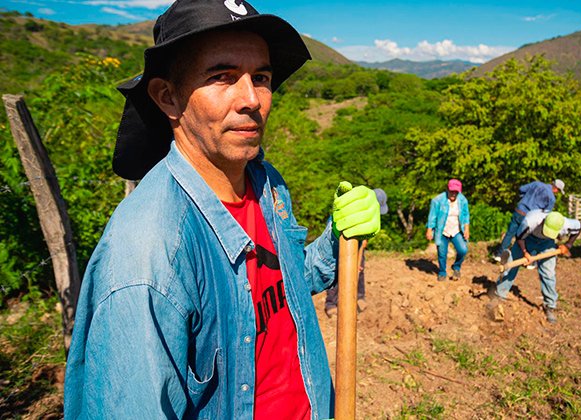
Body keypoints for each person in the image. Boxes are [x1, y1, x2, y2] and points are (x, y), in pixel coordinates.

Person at [63, 1, 380, 418]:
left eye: (261, 77)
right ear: (168, 97)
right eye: (222, 76)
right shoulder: (147, 256)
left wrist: (338, 241)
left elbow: (284, 288)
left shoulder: (265, 184)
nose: (252, 99)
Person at [492, 210, 581, 323]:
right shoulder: (531, 221)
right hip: (528, 238)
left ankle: (550, 306)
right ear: (543, 222)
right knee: (510, 266)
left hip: (547, 243)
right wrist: (525, 253)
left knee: (548, 273)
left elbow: (579, 227)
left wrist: (568, 245)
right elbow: (520, 237)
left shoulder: (566, 224)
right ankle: (499, 295)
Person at [325, 188, 388, 317]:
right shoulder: (352, 209)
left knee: (360, 268)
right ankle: (331, 303)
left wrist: (363, 243)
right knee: (336, 271)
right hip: (338, 241)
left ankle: (359, 296)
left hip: (357, 242)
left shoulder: (368, 214)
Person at [498, 179, 565, 256]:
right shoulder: (551, 198)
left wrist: (525, 197)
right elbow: (546, 214)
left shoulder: (536, 184)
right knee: (528, 238)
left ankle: (499, 255)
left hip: (519, 210)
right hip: (530, 218)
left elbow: (521, 189)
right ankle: (524, 258)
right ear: (556, 189)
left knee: (509, 234)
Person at [426, 179, 470, 282]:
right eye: (452, 191)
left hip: (456, 229)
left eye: (456, 192)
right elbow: (432, 216)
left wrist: (467, 229)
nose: (453, 194)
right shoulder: (437, 200)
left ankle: (456, 267)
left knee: (463, 250)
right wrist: (429, 230)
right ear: (447, 189)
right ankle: (442, 272)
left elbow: (466, 215)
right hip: (442, 230)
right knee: (442, 252)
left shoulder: (463, 200)